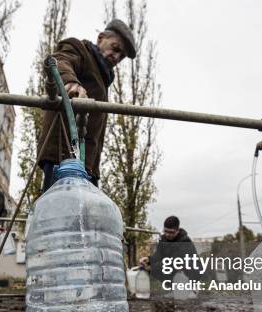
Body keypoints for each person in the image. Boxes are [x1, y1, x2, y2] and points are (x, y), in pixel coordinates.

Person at [38, 19, 136, 192]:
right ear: (100, 38)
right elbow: (60, 60)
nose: (117, 57)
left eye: (122, 56)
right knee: (59, 214)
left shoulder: (103, 78)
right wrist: (71, 83)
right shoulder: (80, 50)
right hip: (63, 157)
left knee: (85, 217)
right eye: (115, 48)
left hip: (87, 164)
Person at [140, 216, 202, 283]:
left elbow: (174, 262)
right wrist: (149, 259)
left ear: (177, 231)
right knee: (158, 268)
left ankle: (190, 288)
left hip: (191, 273)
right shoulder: (164, 240)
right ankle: (171, 288)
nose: (167, 234)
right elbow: (158, 256)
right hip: (174, 271)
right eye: (165, 231)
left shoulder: (185, 241)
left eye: (171, 232)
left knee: (181, 264)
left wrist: (152, 268)